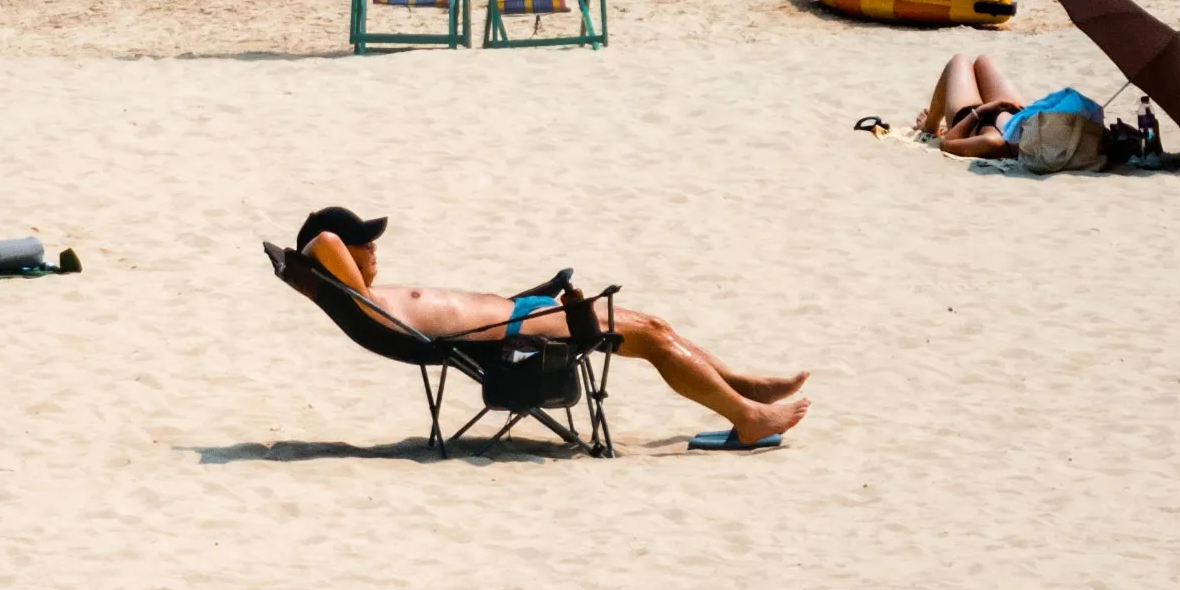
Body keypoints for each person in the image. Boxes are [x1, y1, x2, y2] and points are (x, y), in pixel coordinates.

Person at [289, 207, 811, 446]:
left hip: (519, 314)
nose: (373, 248)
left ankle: (745, 389)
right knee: (650, 335)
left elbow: (331, 248)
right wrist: (324, 240)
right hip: (516, 334)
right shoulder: (356, 292)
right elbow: (321, 245)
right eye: (365, 242)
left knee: (654, 324)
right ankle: (748, 416)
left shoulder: (368, 295)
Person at [916, 54, 1028, 158]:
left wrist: (980, 111)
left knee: (959, 60)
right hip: (1016, 113)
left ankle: (930, 125)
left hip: (978, 121)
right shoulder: (1038, 132)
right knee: (983, 61)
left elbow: (947, 144)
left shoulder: (993, 143)